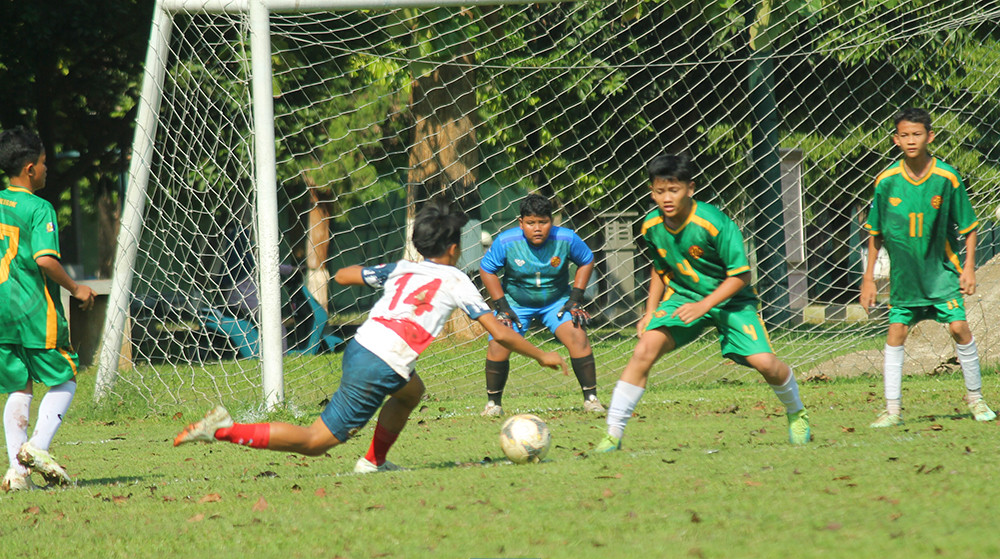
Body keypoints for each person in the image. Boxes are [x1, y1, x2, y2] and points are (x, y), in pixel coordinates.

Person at [174, 198, 567, 472]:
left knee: (411, 392)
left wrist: (368, 276)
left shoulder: (401, 269)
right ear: (452, 247)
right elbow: (500, 332)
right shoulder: (456, 279)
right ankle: (223, 429)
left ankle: (374, 461)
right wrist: (542, 355)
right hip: (381, 363)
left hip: (363, 346)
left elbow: (346, 275)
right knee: (316, 442)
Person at [593, 153, 810, 452]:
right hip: (682, 297)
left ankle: (796, 413)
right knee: (644, 349)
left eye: (674, 190)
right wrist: (650, 312)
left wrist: (705, 305)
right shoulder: (651, 225)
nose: (666, 198)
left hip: (730, 300)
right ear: (651, 191)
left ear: (690, 188)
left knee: (766, 364)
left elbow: (741, 277)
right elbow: (661, 267)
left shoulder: (714, 222)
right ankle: (612, 434)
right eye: (659, 191)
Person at [860, 107, 995, 426]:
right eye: (904, 135)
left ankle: (976, 400)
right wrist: (868, 278)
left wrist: (970, 268)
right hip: (906, 281)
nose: (911, 140)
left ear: (930, 136)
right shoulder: (886, 181)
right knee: (895, 333)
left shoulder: (946, 177)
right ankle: (892, 410)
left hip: (941, 276)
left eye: (917, 134)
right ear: (896, 139)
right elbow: (874, 233)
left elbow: (970, 226)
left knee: (959, 328)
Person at [0, 127, 95, 491]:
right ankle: (37, 448)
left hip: (2, 315)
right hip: (34, 313)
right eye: (42, 163)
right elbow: (44, 258)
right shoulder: (39, 208)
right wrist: (76, 288)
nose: (46, 169)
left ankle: (17, 473)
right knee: (65, 377)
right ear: (28, 169)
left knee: (19, 389)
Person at [479, 194, 603, 417]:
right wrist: (501, 305)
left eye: (543, 222)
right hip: (516, 305)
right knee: (499, 342)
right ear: (521, 223)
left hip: (555, 303)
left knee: (577, 336)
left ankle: (591, 399)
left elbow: (586, 260)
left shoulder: (566, 238)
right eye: (531, 223)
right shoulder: (507, 241)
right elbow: (487, 269)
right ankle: (493, 404)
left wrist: (575, 298)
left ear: (552, 221)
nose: (537, 228)